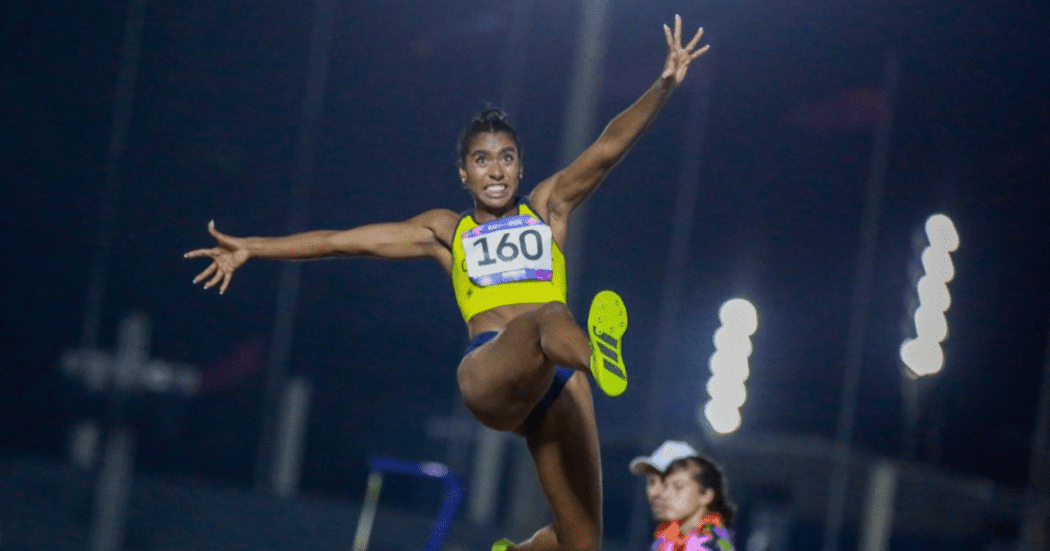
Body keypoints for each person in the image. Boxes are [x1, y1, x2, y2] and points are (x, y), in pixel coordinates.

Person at [186, 15, 709, 551]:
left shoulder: (547, 207)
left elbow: (608, 146)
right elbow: (343, 239)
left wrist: (663, 84)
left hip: (556, 381)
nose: (497, 170)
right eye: (482, 160)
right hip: (490, 371)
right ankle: (599, 358)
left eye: (506, 158)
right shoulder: (446, 230)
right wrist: (254, 247)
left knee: (583, 541)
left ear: (521, 166)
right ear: (464, 173)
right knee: (547, 316)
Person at [630, 440, 737, 551]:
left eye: (678, 486)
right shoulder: (660, 541)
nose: (658, 493)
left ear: (706, 494)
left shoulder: (719, 541)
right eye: (651, 482)